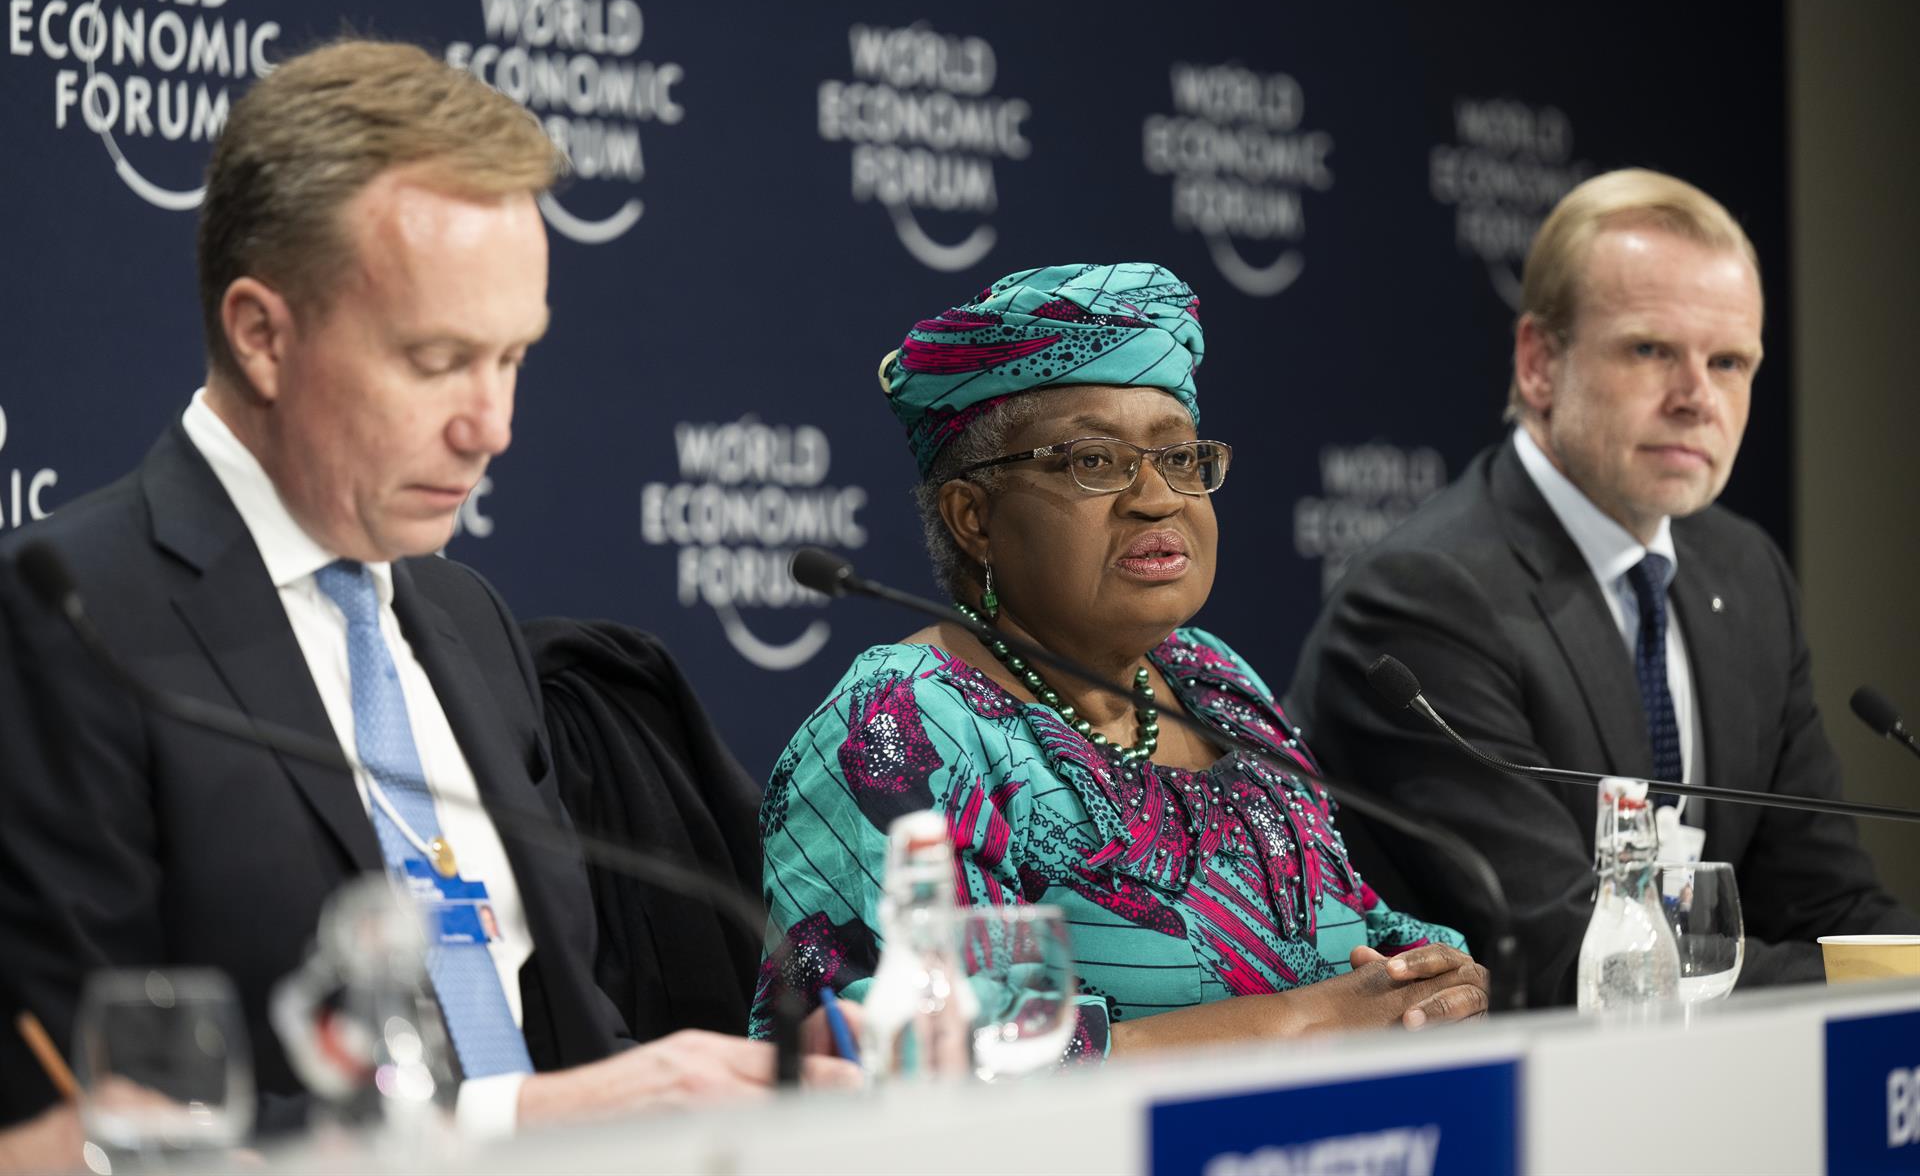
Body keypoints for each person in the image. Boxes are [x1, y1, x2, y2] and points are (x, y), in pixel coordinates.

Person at [0, 39, 853, 1142]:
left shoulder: (465, 619)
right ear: (263, 334)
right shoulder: (64, 617)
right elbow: (76, 1130)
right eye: (438, 358)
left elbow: (560, 1042)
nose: (492, 425)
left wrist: (734, 1079)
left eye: (513, 358)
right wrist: (516, 1119)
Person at [751, 263, 1488, 1057]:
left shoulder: (1211, 680)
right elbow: (900, 1056)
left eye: (1179, 458)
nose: (1158, 497)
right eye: (1095, 462)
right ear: (973, 517)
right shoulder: (903, 723)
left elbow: (1357, 921)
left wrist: (1433, 978)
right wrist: (1303, 1023)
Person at [1285, 168, 1920, 1006]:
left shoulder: (1745, 572)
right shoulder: (1428, 597)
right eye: (1652, 350)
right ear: (1540, 363)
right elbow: (1570, 957)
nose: (1699, 399)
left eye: (1730, 361)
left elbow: (1824, 898)